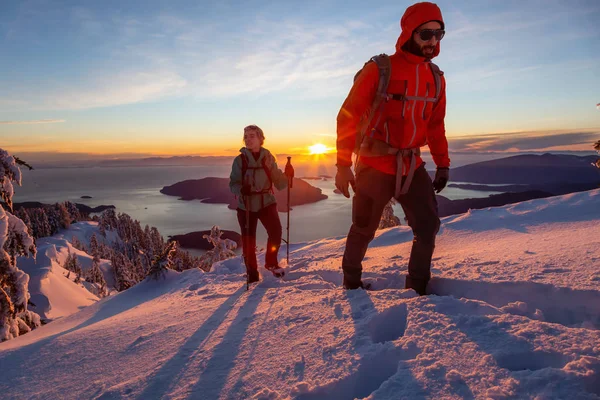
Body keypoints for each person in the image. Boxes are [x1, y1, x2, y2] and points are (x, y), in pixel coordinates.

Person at [335, 2, 450, 295]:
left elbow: (435, 126)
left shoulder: (436, 78)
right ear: (409, 33)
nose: (433, 42)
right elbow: (347, 116)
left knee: (427, 227)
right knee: (363, 228)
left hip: (412, 165)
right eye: (426, 34)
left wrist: (443, 164)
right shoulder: (380, 70)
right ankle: (351, 283)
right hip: (375, 164)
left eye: (439, 34)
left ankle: (418, 289)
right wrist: (342, 165)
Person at [229, 125, 290, 283]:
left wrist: (288, 176)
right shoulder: (240, 160)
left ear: (260, 138)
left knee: (275, 232)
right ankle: (252, 273)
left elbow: (279, 183)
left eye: (252, 136)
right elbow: (233, 185)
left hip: (266, 202)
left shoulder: (268, 158)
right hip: (246, 205)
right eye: (246, 136)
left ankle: (271, 263)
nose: (248, 139)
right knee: (249, 241)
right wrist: (242, 189)